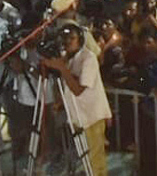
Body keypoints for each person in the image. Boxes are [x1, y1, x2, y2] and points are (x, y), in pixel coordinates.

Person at [41, 24, 111, 176]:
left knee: (95, 158)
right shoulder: (68, 59)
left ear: (80, 39)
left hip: (92, 116)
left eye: (71, 38)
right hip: (78, 116)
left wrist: (61, 67)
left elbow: (78, 90)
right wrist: (60, 102)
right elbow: (67, 86)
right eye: (64, 38)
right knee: (83, 155)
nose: (67, 42)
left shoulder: (89, 58)